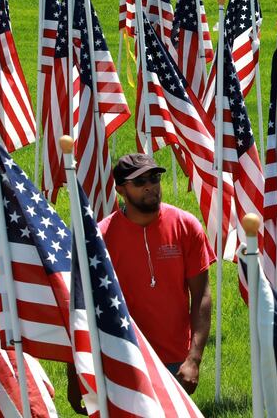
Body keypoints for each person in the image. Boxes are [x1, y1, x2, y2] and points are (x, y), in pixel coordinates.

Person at [68, 153, 214, 412]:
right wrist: (75, 373)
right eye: (140, 181)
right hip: (122, 357)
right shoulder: (101, 238)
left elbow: (202, 294)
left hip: (174, 361)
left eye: (154, 177)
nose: (150, 185)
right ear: (121, 189)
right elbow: (80, 306)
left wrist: (194, 358)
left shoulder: (186, 226)